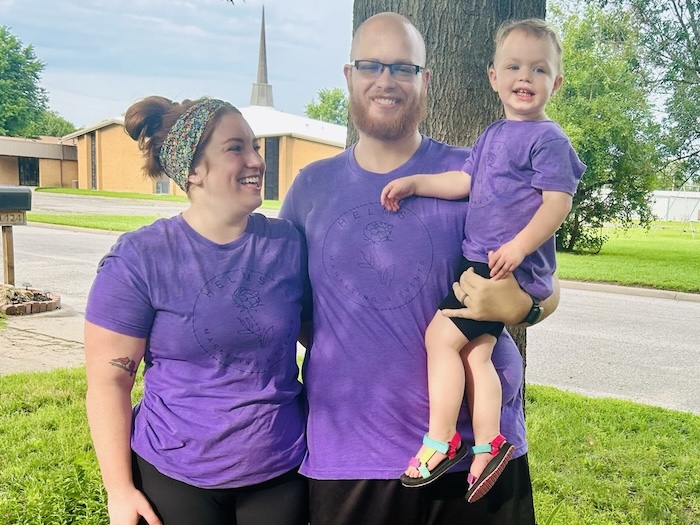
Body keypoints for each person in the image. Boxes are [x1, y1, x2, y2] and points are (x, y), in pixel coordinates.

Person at [280, 12, 560, 525]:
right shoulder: (310, 188)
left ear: (425, 80)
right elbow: (293, 312)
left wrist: (522, 305)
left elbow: (548, 289)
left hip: (477, 460)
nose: (386, 81)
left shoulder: (478, 173)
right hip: (350, 457)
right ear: (349, 75)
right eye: (371, 65)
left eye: (403, 68)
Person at [379, 18, 585, 502]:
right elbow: (464, 182)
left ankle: (443, 440)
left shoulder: (548, 139)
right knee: (475, 354)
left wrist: (519, 246)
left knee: (439, 338)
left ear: (555, 83)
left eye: (538, 70)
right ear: (494, 77)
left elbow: (558, 202)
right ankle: (490, 443)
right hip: (483, 265)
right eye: (513, 66)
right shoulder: (494, 134)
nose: (524, 77)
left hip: (502, 268)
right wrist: (416, 183)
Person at [84, 96, 309, 525]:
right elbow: (110, 380)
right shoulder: (142, 257)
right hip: (175, 471)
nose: (256, 160)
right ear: (192, 171)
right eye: (236, 148)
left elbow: (319, 332)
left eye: (256, 147)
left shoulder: (287, 245)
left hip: (280, 466)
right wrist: (119, 490)